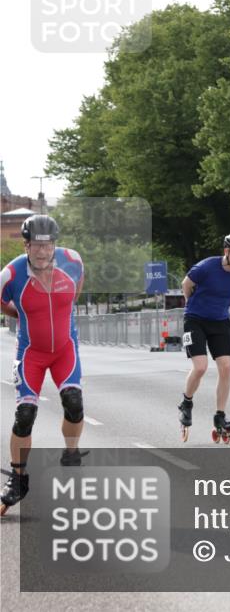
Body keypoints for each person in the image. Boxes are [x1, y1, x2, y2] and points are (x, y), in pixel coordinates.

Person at [0, 215, 86, 515]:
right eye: (36, 245)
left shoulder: (73, 262)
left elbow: (76, 291)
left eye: (48, 245)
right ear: (26, 245)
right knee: (25, 415)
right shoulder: (10, 275)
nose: (42, 251)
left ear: (54, 245)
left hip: (65, 349)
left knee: (74, 402)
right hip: (31, 353)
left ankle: (71, 456)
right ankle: (17, 479)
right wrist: (19, 314)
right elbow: (1, 301)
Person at [177, 232, 230, 444]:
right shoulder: (206, 267)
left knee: (226, 367)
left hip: (220, 321)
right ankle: (186, 403)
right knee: (200, 367)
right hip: (195, 320)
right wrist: (193, 305)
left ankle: (220, 416)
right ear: (226, 251)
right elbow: (186, 285)